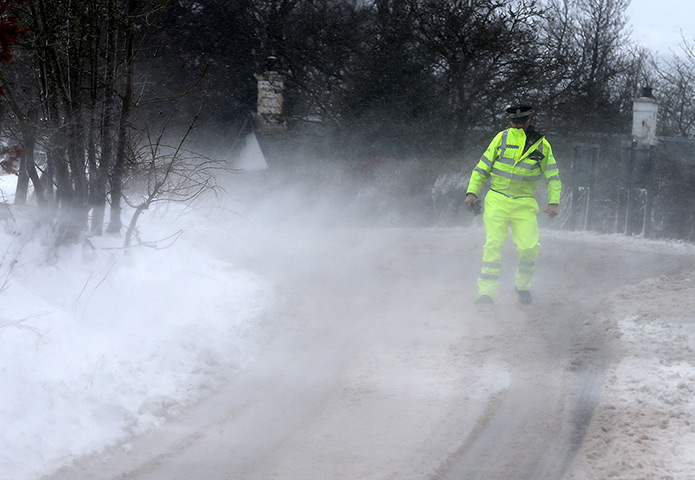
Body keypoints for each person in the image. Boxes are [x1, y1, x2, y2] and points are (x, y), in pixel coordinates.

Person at [464, 104, 561, 305]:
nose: (518, 126)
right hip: (497, 200)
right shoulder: (501, 139)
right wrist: (472, 192)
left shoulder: (542, 145)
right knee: (493, 245)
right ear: (509, 121)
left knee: (529, 248)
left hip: (524, 204)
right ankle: (486, 293)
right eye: (514, 122)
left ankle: (522, 285)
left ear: (529, 120)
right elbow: (482, 169)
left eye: (521, 122)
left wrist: (554, 202)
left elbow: (552, 176)